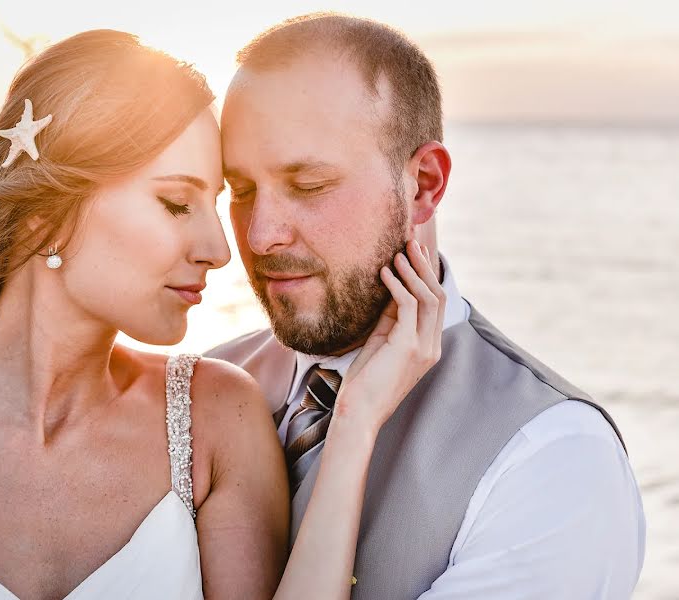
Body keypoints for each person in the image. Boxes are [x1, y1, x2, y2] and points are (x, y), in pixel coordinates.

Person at [0, 29, 445, 600]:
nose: (219, 249)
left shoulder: (215, 419)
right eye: (176, 203)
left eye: (219, 201)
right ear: (48, 215)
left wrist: (354, 424)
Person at [208, 13, 646, 599]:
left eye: (308, 185)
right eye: (240, 191)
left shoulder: (552, 457)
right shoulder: (204, 386)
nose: (260, 236)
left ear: (424, 185)